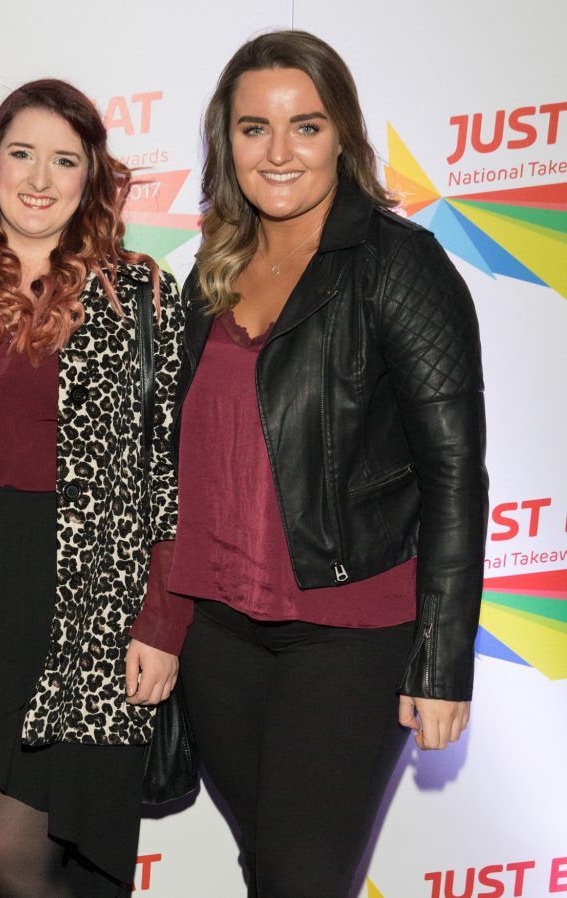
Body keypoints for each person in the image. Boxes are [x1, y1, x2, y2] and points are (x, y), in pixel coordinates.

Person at [134, 31, 489, 898]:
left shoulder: (400, 267)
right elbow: (188, 469)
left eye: (307, 126)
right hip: (221, 635)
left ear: (343, 137)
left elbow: (456, 473)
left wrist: (441, 665)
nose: (279, 152)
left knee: (301, 877)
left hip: (351, 636)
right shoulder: (211, 271)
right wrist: (166, 620)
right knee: (272, 869)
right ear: (227, 143)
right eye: (255, 128)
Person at [0, 79, 185, 898]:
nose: (39, 177)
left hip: (79, 602)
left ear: (91, 175)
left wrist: (163, 621)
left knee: (11, 853)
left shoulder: (140, 295)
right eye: (21, 153)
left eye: (65, 160)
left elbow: (174, 473)